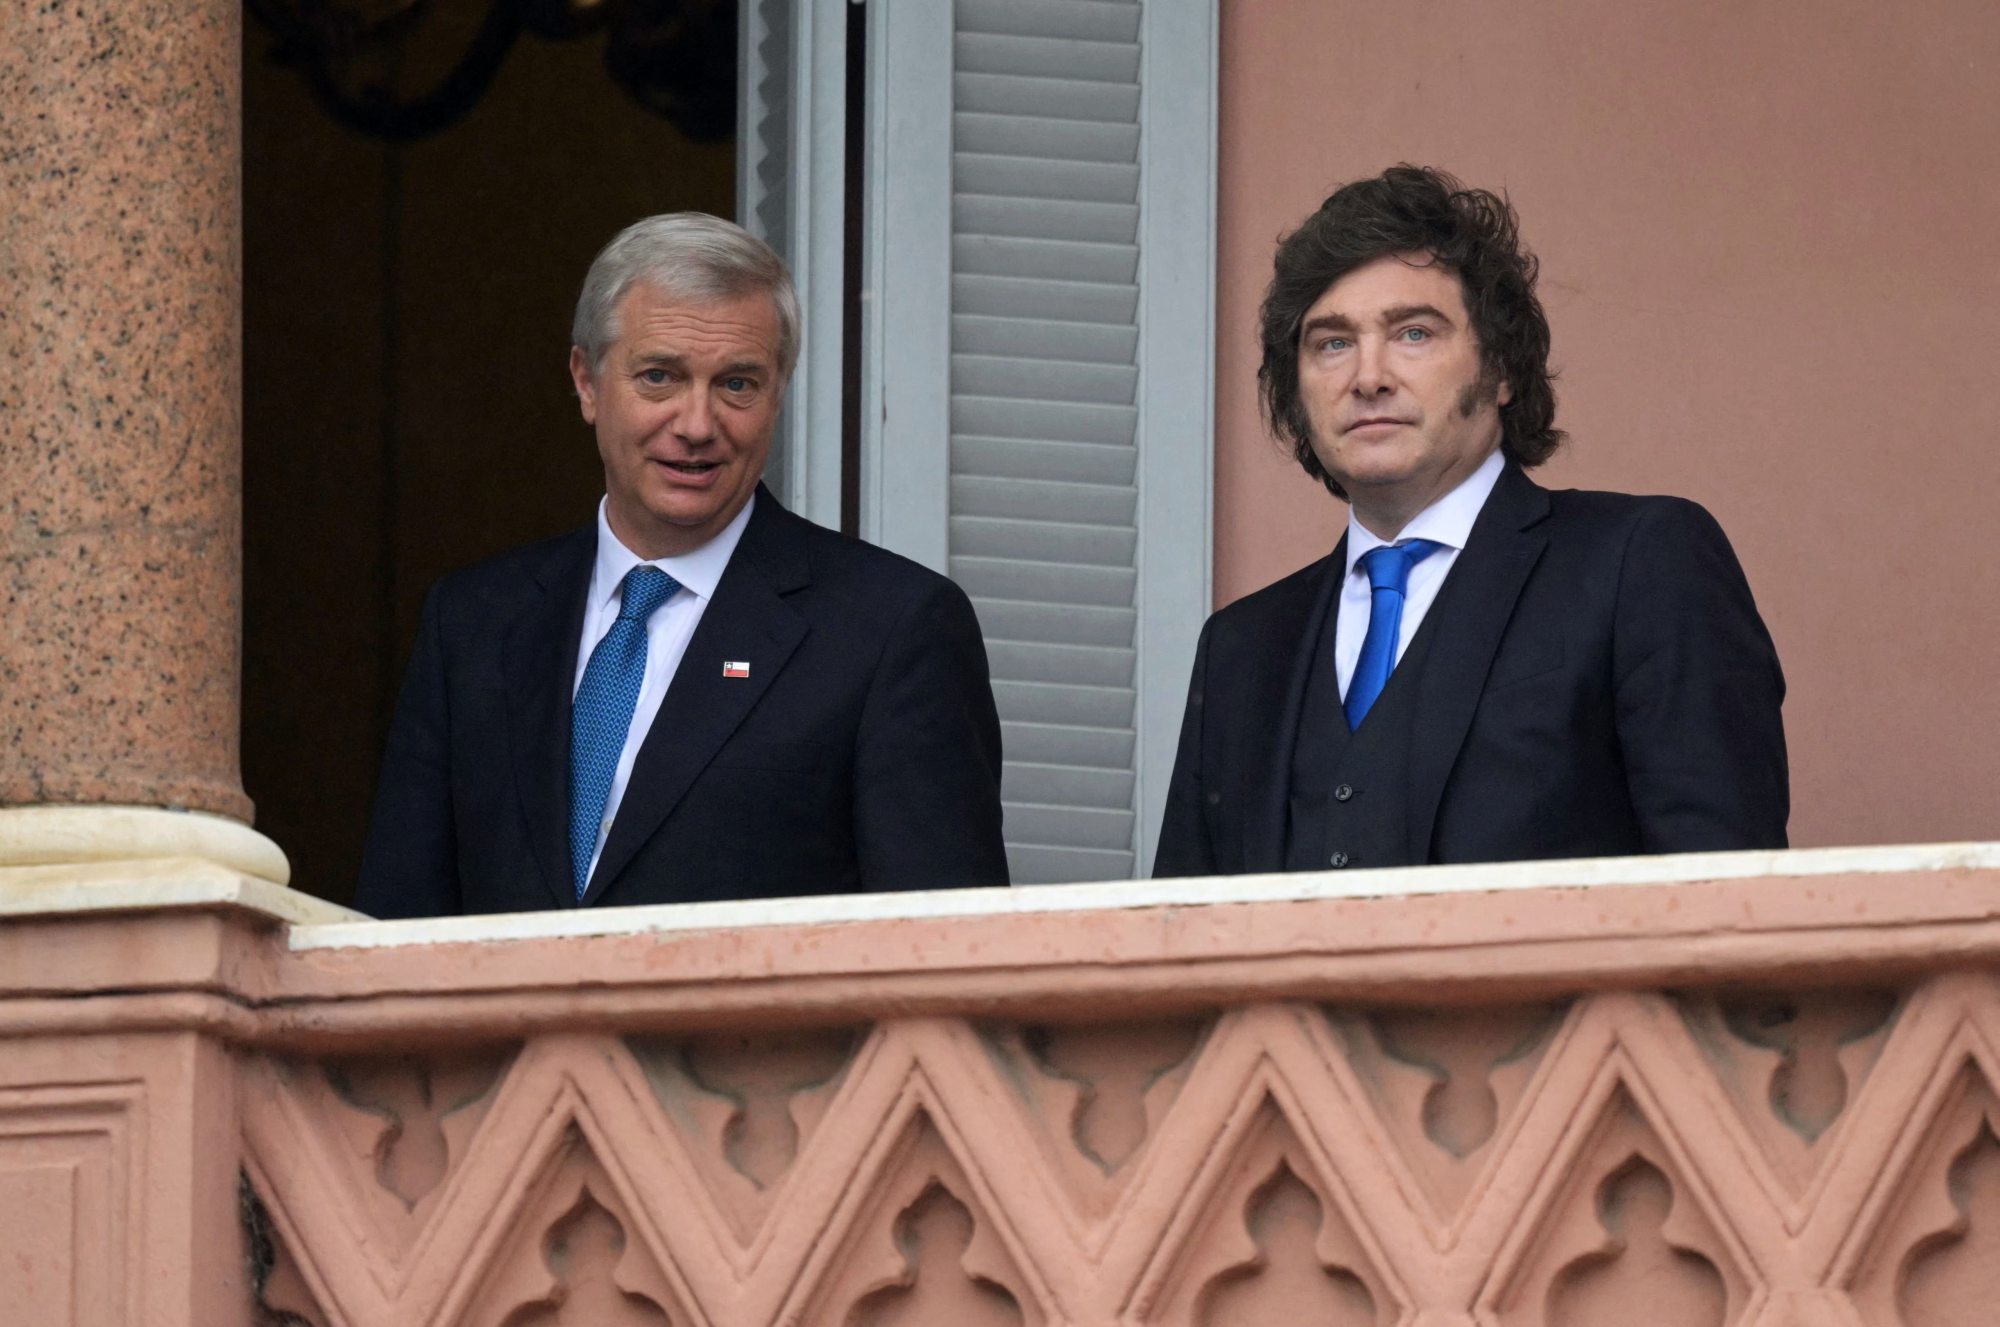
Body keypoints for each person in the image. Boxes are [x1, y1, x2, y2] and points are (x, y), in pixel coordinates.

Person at [357, 213, 1009, 916]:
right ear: (586, 382)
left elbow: (946, 961)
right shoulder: (474, 624)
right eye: (660, 376)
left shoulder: (891, 631)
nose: (697, 425)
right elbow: (393, 931)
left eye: (736, 384)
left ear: (778, 393)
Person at [1154, 166, 1787, 878]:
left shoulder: (1641, 563)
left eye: (1414, 333)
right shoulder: (1241, 650)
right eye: (1332, 343)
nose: (1368, 376)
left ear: (1502, 369)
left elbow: (1730, 905)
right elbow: (1175, 949)